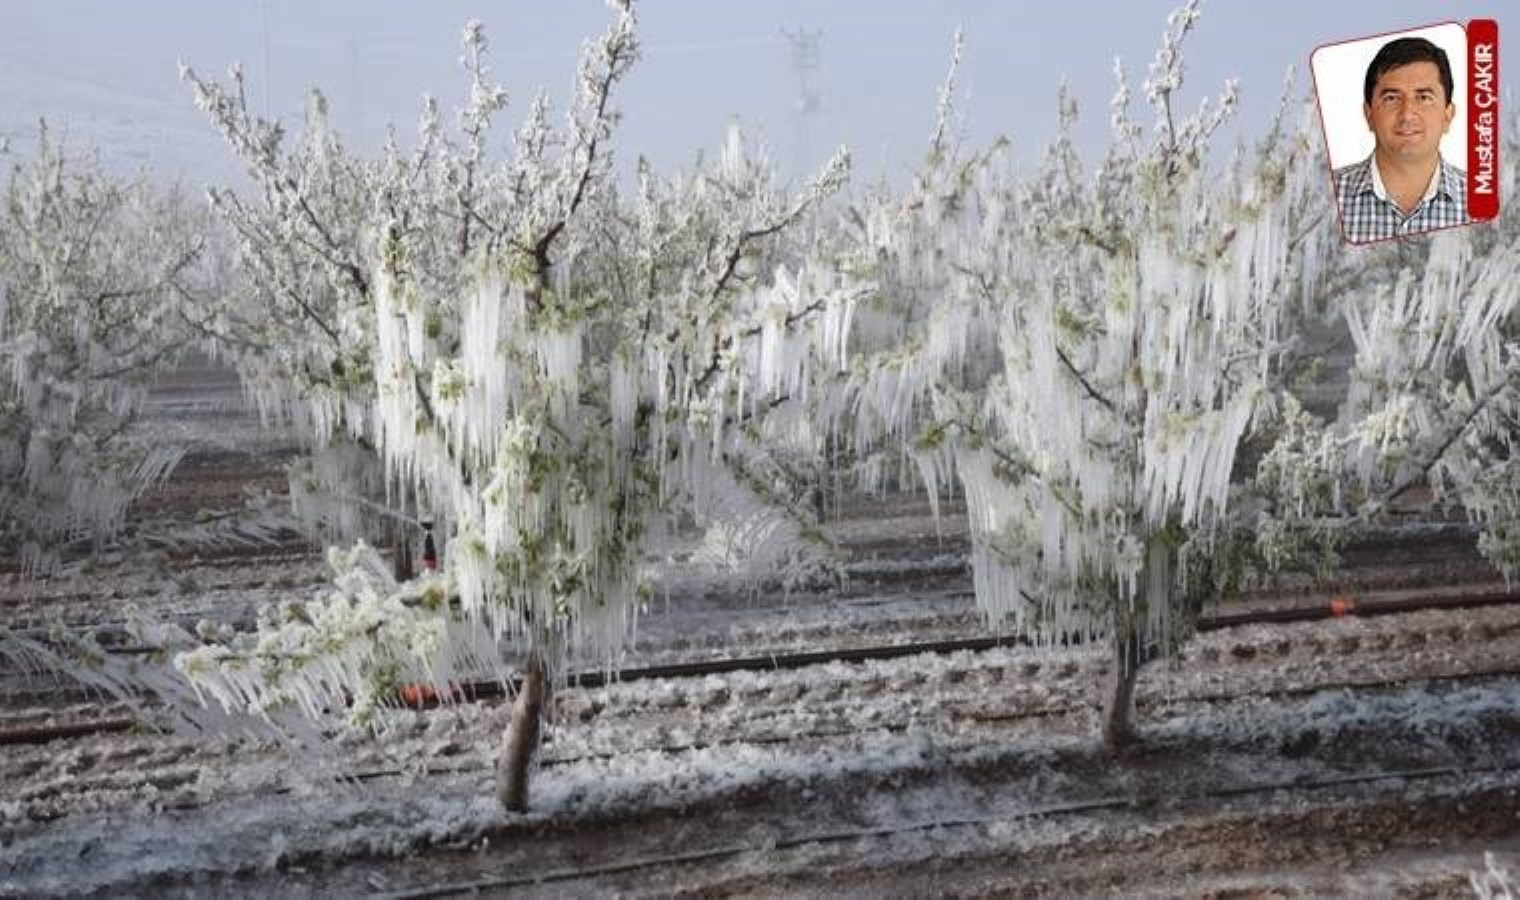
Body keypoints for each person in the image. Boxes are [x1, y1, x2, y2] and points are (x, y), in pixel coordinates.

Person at [1332, 36, 1469, 243]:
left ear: (1448, 115)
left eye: (1423, 98)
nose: (1407, 114)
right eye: (1391, 98)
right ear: (1369, 115)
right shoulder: (1321, 200)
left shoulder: (1487, 203)